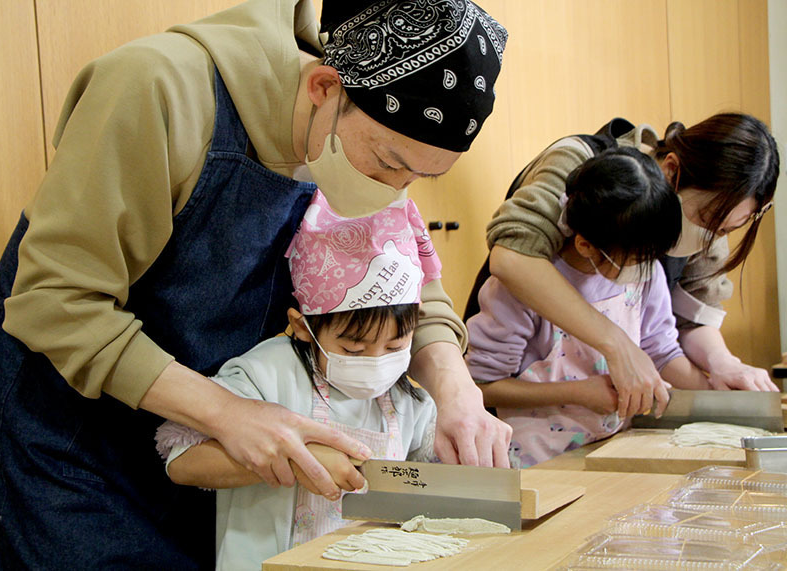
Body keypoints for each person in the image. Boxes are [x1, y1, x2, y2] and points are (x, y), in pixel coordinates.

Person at [0, 1, 510, 567]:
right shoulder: (158, 88)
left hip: (217, 443)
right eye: (389, 164)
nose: (395, 192)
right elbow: (55, 301)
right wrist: (226, 414)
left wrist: (455, 390)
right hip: (75, 436)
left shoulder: (365, 145)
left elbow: (408, 275)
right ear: (322, 87)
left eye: (418, 176)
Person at [156, 190, 439, 569]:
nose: (376, 363)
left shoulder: (409, 401)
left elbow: (424, 489)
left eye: (393, 347)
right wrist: (294, 459)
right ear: (302, 327)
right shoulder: (265, 375)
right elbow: (182, 461)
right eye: (353, 350)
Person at [475, 112, 780, 422]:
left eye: (726, 230)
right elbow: (513, 257)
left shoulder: (654, 271)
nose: (712, 240)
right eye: (705, 220)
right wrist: (618, 345)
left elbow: (675, 332)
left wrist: (722, 365)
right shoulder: (583, 171)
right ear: (672, 171)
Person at [466, 148, 712, 468]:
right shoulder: (523, 289)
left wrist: (718, 390)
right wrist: (578, 393)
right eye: (637, 260)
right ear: (585, 245)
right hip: (539, 465)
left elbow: (660, 350)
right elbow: (481, 388)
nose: (646, 269)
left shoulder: (646, 270)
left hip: (609, 452)